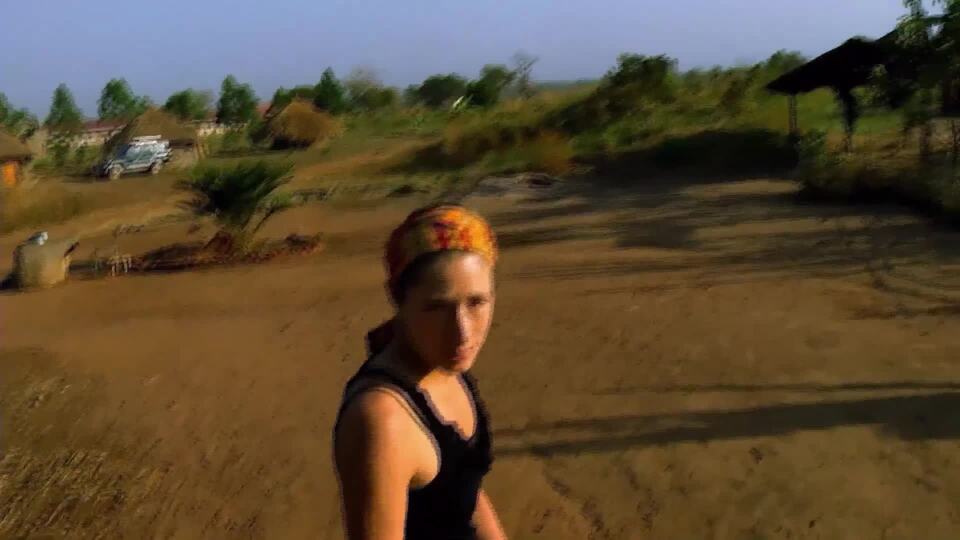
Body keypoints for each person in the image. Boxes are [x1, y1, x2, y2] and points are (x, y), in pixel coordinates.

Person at [333, 203, 508, 540]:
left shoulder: (444, 366)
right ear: (397, 299)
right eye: (437, 308)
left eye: (477, 302)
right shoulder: (382, 421)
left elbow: (464, 488)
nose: (462, 333)